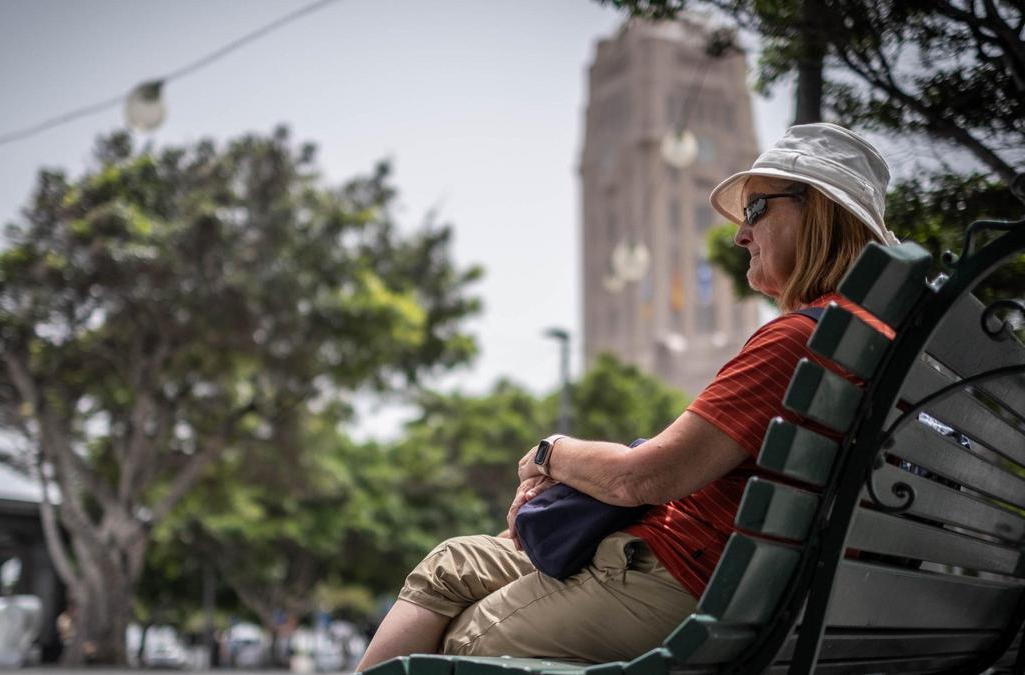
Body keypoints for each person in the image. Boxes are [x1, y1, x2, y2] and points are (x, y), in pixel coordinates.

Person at [355, 123, 900, 670]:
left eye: (755, 209)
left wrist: (549, 453)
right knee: (453, 562)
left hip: (683, 580)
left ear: (818, 213)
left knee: (461, 644)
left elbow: (642, 478)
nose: (740, 234)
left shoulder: (802, 340)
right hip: (743, 585)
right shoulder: (873, 345)